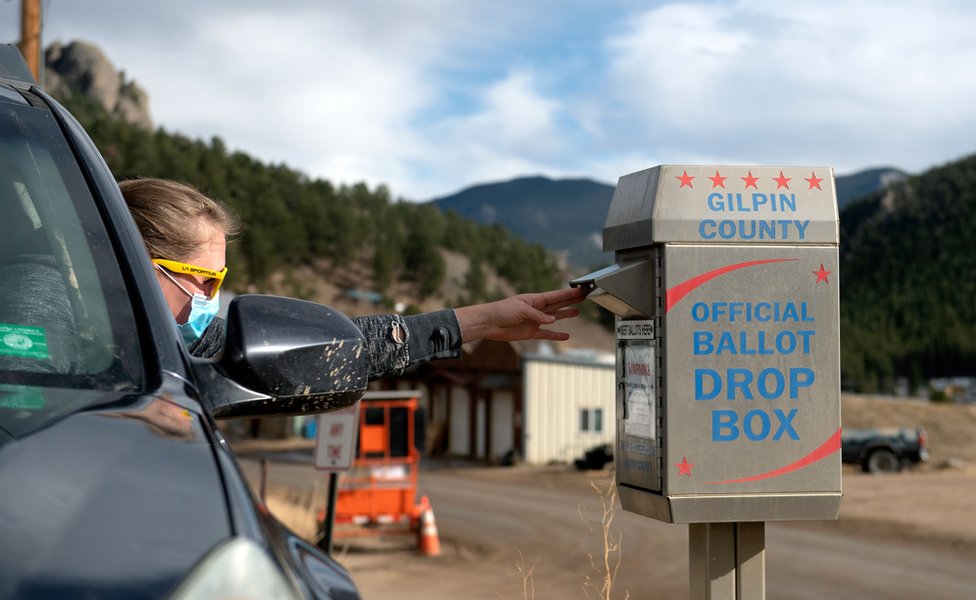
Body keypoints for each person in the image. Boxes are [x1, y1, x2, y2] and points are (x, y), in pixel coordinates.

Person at [119, 178, 585, 379]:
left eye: (219, 280)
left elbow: (340, 344)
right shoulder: (58, 337)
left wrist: (479, 321)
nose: (210, 299)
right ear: (134, 261)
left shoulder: (187, 344)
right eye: (202, 280)